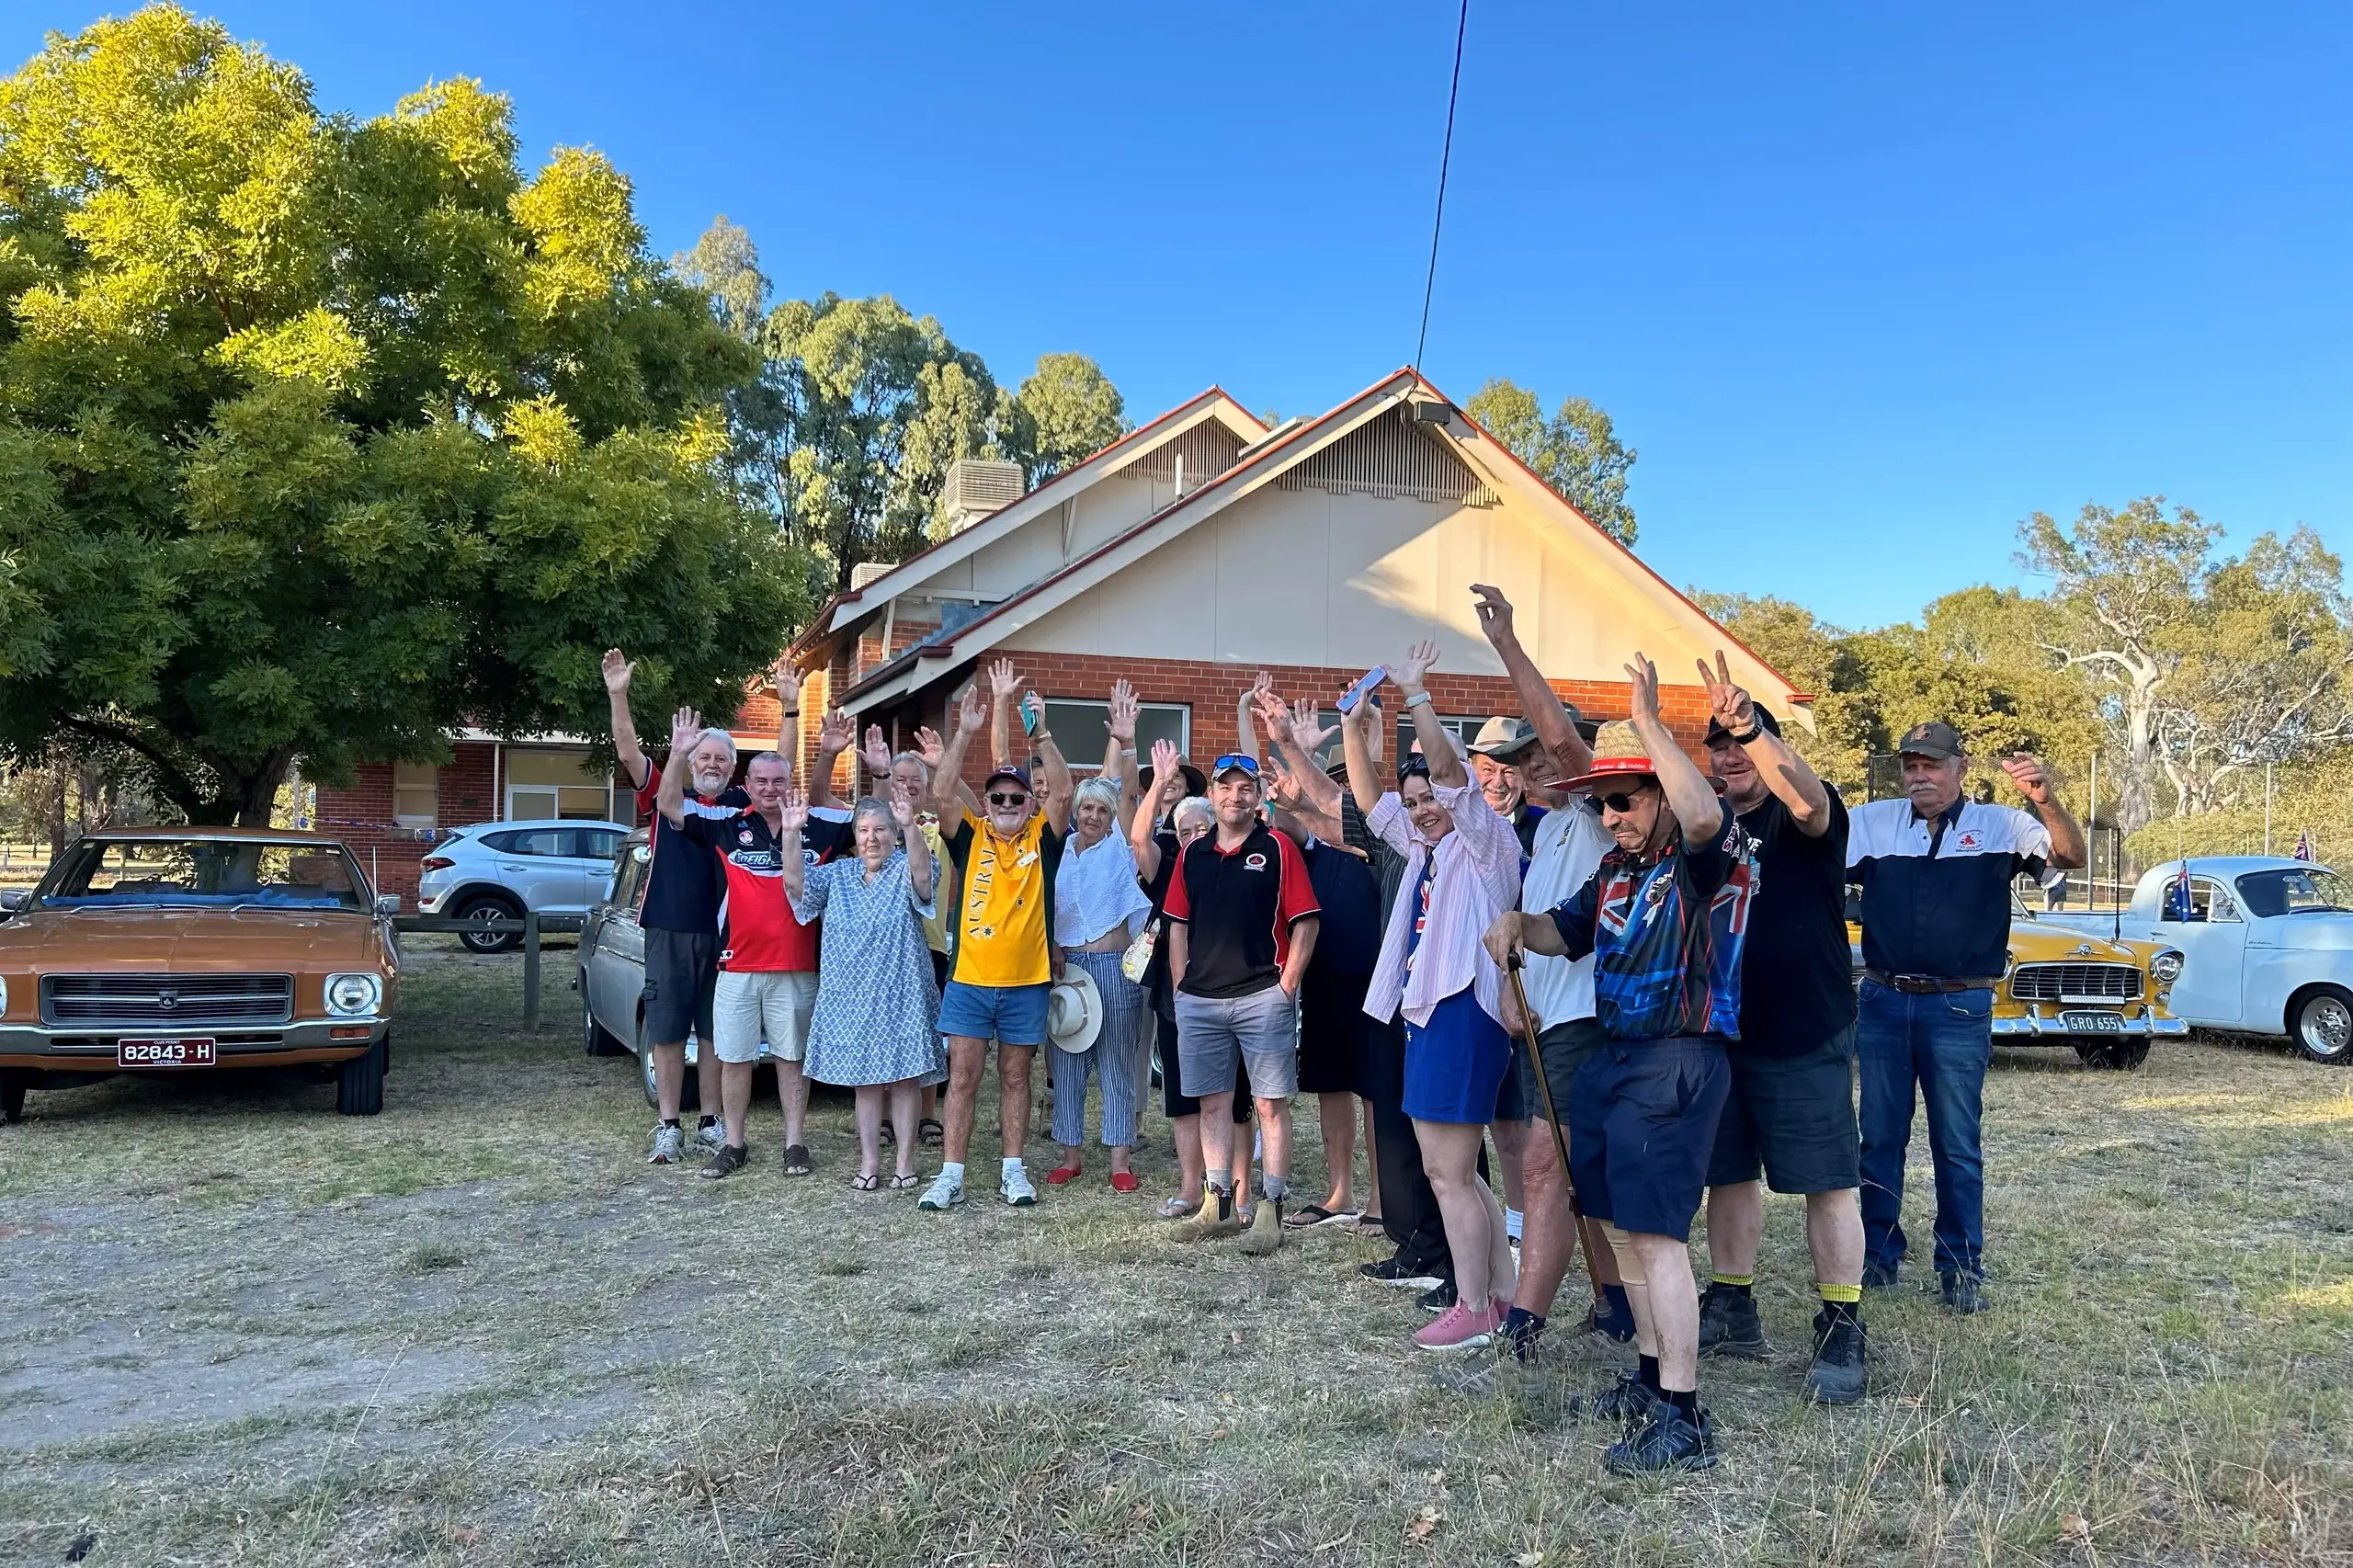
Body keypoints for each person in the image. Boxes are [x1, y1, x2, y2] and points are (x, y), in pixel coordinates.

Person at [1485, 653, 1759, 1475]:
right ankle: (1647, 1376)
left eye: (1624, 799)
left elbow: (1705, 818)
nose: (1610, 816)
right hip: (1613, 1059)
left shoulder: (1703, 858)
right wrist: (1510, 923)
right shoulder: (1613, 871)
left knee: (1656, 1235)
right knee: (1617, 1226)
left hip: (1678, 1060)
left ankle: (1684, 1414)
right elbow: (1559, 932)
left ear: (1661, 796)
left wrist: (1648, 724)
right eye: (1600, 803)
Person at [1847, 722, 2085, 1313]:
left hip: (1958, 1004)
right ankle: (1876, 1254)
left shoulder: (2002, 825)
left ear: (1961, 768)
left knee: (1956, 1142)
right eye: (1910, 765)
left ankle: (1960, 1265)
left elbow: (2070, 857)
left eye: (1930, 764)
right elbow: (1817, 870)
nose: (1918, 776)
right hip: (1881, 1000)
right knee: (1878, 1138)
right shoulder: (1870, 822)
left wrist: (2044, 797)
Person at [1690, 654, 1868, 1404]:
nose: (1730, 757)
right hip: (1723, 1037)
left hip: (1805, 1032)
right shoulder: (1704, 827)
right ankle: (1732, 1303)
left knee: (1826, 1184)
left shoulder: (1807, 817)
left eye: (1740, 744)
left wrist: (1755, 725)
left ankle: (1842, 1325)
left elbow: (1806, 797)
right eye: (1719, 746)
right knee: (1726, 1176)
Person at [1464, 584, 1631, 1371]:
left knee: (1541, 1166)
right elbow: (1533, 930)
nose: (1529, 768)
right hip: (1547, 1025)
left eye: (1535, 756)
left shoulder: (1604, 811)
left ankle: (1523, 1325)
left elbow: (1566, 746)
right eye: (1518, 761)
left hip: (1593, 1024)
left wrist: (1507, 645)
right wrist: (1508, 985)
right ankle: (1616, 1302)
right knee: (1571, 1175)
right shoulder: (1549, 831)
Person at [1346, 640, 1523, 1351]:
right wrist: (1355, 725)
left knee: (1448, 1171)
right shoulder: (1425, 848)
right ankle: (1503, 1296)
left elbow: (1449, 771)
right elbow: (1365, 800)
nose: (1420, 810)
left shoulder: (1487, 839)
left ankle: (1474, 1304)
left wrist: (1417, 696)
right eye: (1414, 802)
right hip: (1427, 1012)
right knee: (1452, 1170)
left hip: (1463, 1012)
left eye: (1429, 801)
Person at [655, 707, 854, 1181]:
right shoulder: (723, 821)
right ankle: (734, 1143)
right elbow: (668, 806)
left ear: (790, 783)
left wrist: (836, 758)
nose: (770, 789)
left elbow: (876, 822)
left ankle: (795, 1143)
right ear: (748, 783)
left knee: (791, 1059)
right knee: (736, 1059)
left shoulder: (816, 825)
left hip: (796, 966)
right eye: (761, 781)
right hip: (738, 966)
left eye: (778, 781)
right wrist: (679, 754)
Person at [922, 679, 1074, 1210]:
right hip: (968, 980)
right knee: (962, 1079)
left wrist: (1044, 734)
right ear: (985, 804)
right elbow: (941, 793)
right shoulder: (971, 834)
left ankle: (1013, 1170)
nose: (1007, 803)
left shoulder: (1042, 837)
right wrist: (963, 733)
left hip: (1027, 981)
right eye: (998, 798)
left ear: (1028, 804)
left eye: (1016, 797)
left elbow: (1064, 791)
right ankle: (952, 1174)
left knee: (1015, 1076)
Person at [1163, 747, 1321, 1253]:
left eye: (1245, 788)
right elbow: (1177, 925)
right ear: (1210, 795)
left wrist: (1287, 985)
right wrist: (1180, 986)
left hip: (1261, 996)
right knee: (1211, 1104)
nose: (1235, 796)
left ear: (1257, 797)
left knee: (1270, 1106)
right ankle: (1218, 1203)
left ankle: (1270, 1208)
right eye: (1225, 787)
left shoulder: (1276, 846)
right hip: (1201, 1000)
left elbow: (1306, 921)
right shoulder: (1192, 853)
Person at [604, 649, 744, 1164]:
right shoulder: (667, 795)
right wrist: (619, 694)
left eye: (721, 759)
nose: (711, 765)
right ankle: (668, 1125)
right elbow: (626, 752)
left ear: (733, 768)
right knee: (666, 1030)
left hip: (726, 937)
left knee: (713, 1032)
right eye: (704, 756)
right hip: (667, 928)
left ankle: (710, 1120)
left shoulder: (742, 807)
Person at [1253, 692, 1382, 1229]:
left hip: (1378, 979)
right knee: (1331, 1084)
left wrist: (1368, 725)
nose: (1344, 793)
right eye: (1337, 783)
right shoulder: (1310, 841)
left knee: (1375, 1088)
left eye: (1352, 784)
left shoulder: (1383, 834)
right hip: (1324, 975)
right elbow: (1284, 820)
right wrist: (1289, 770)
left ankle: (1381, 1197)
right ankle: (1339, 1194)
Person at [779, 784, 942, 1191]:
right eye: (865, 830)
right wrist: (791, 833)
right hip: (852, 997)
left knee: (905, 1081)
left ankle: (905, 1161)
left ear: (894, 833)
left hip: (901, 993)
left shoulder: (907, 864)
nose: (873, 838)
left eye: (882, 830)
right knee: (865, 1083)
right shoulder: (839, 874)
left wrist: (911, 827)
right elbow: (797, 886)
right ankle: (870, 1161)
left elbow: (925, 879)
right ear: (854, 837)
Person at [1130, 745, 1255, 1219]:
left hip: (1234, 996)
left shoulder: (1236, 860)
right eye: (1184, 832)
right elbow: (1140, 839)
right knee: (1183, 1098)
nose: (1194, 837)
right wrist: (1160, 783)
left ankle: (1240, 1194)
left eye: (1201, 828)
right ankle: (1191, 1189)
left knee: (1237, 1099)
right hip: (1176, 998)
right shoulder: (1170, 867)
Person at [1047, 682, 1154, 1191]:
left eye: (1101, 811)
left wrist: (1126, 741)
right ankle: (1070, 1153)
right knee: (1067, 1062)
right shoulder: (1062, 850)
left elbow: (1124, 786)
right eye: (1086, 809)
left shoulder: (1118, 846)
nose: (1092, 816)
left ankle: (1119, 1161)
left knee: (1115, 1060)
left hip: (1114, 968)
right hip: (1068, 968)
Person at [858, 724, 967, 1149]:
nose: (907, 787)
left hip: (931, 943)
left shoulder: (938, 822)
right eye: (900, 780)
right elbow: (877, 803)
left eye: (915, 781)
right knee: (884, 1033)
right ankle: (885, 1119)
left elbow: (970, 809)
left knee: (928, 1035)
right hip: (884, 950)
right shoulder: (878, 829)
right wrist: (882, 775)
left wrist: (947, 771)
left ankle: (925, 1116)